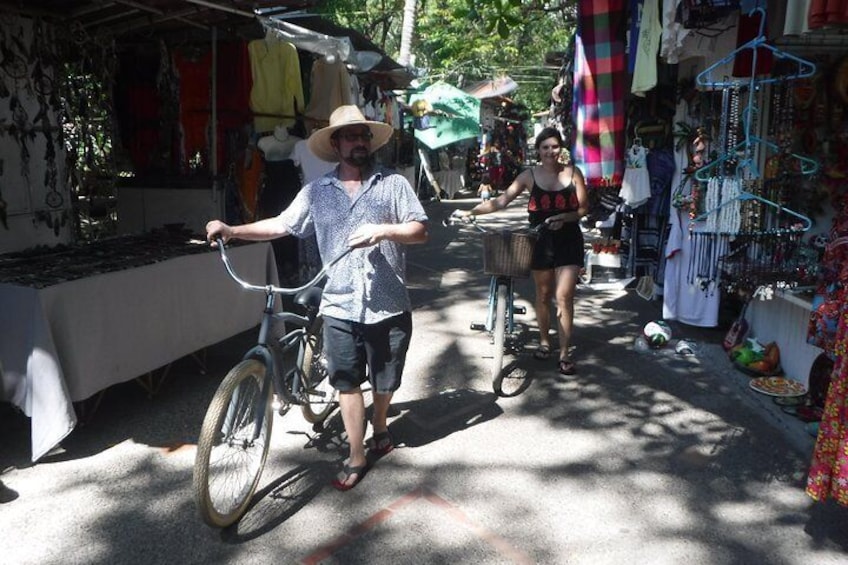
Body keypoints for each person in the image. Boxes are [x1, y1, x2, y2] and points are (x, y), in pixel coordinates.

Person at [206, 105, 429, 490]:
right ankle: (357, 454)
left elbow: (419, 229)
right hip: (339, 303)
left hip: (388, 303)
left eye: (363, 136)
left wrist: (385, 230)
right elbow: (281, 224)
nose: (358, 142)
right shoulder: (316, 192)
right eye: (350, 136)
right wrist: (232, 229)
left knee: (385, 380)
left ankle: (379, 424)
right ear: (336, 143)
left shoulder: (393, 184)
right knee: (346, 381)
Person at [458, 127, 587, 375]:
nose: (551, 151)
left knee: (564, 296)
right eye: (545, 147)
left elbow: (583, 209)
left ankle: (564, 353)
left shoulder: (574, 173)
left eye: (555, 146)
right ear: (538, 150)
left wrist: (566, 217)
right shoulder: (528, 175)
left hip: (570, 239)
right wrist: (471, 211)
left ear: (561, 149)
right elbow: (501, 201)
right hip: (541, 241)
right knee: (543, 294)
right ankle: (545, 341)